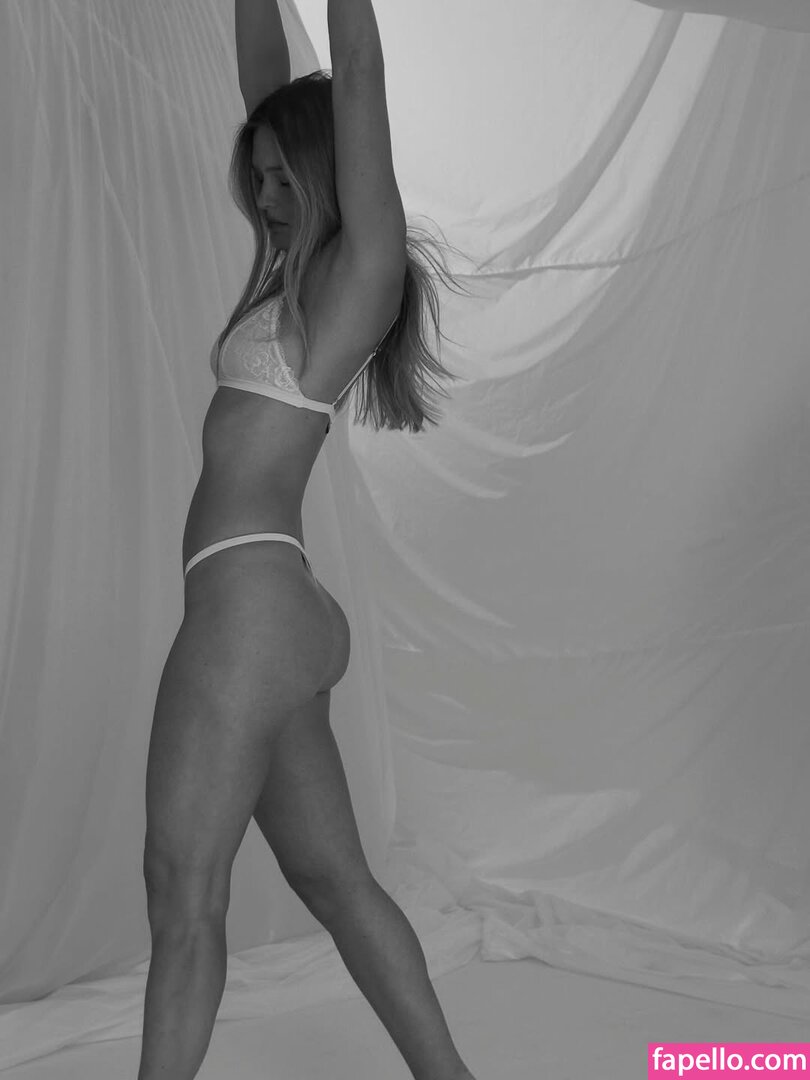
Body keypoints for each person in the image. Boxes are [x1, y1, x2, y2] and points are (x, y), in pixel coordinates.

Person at [137, 2, 475, 1078]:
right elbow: (266, 78)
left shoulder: (354, 276)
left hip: (249, 613)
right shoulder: (297, 268)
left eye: (287, 178)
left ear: (333, 172)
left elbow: (356, 72)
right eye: (261, 179)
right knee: (335, 881)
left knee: (182, 894)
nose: (268, 198)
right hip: (272, 613)